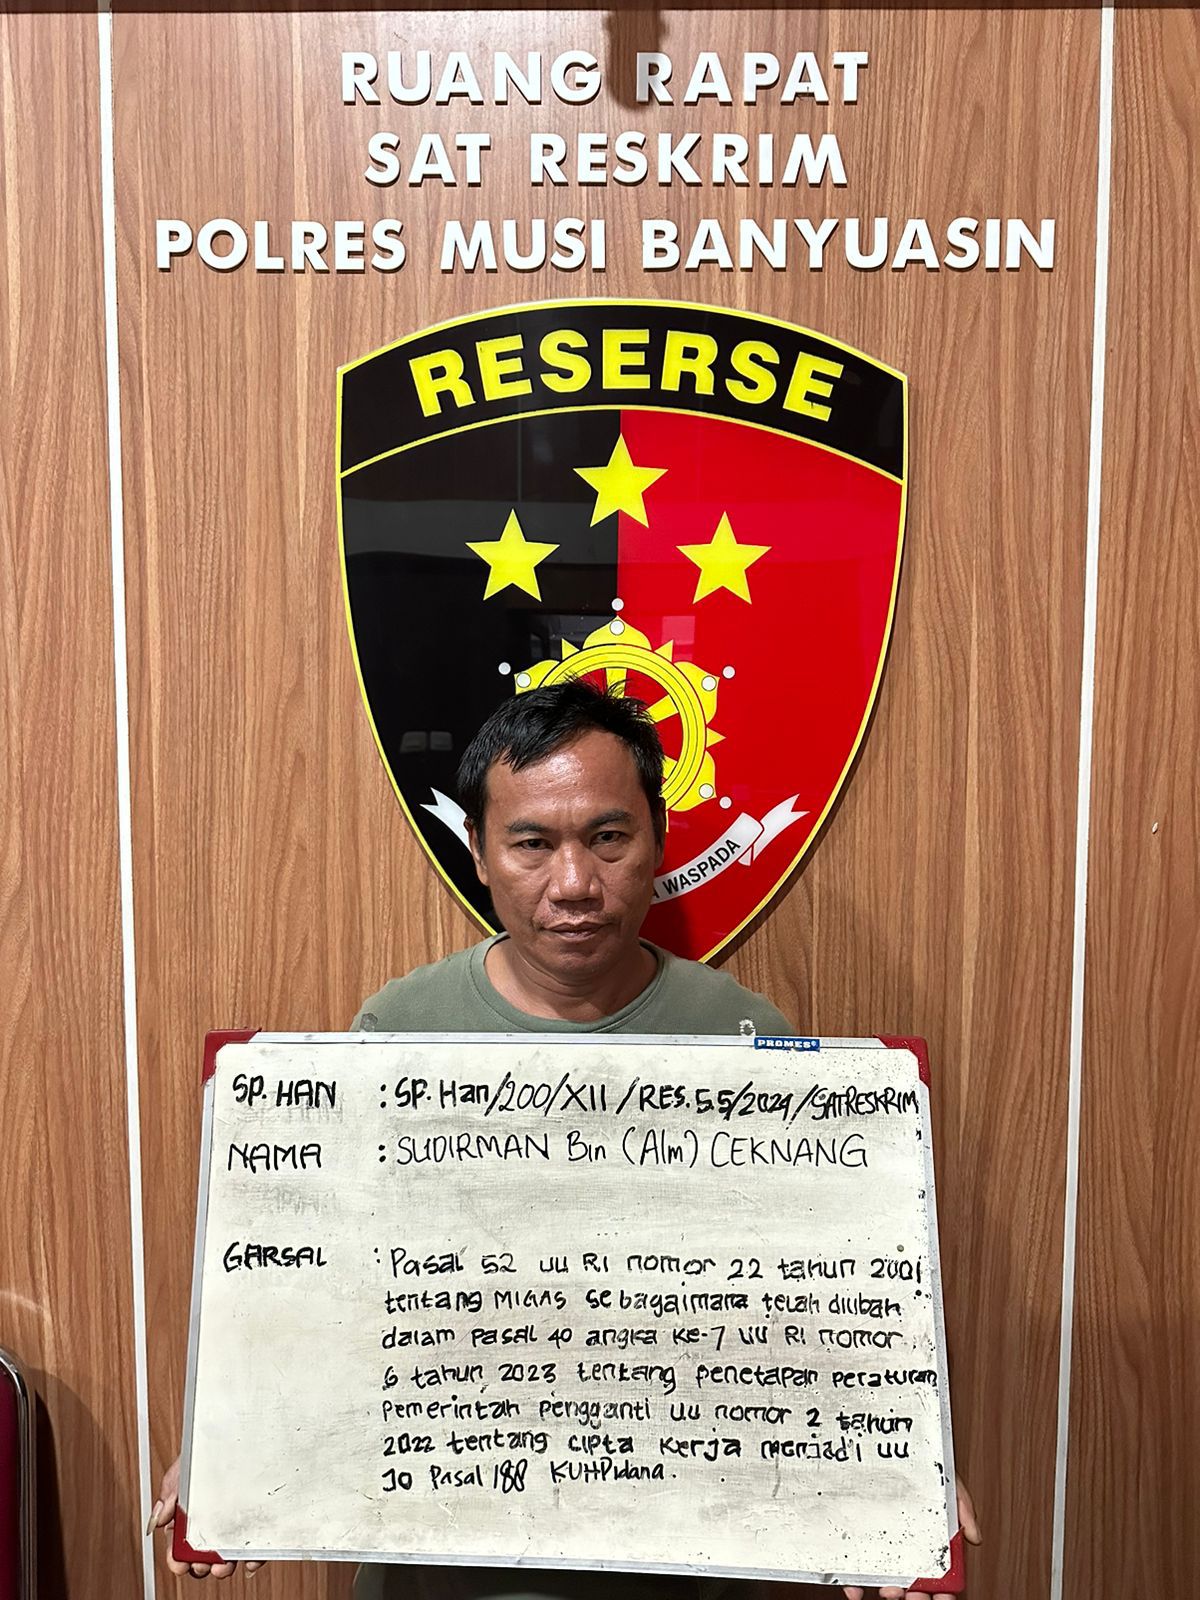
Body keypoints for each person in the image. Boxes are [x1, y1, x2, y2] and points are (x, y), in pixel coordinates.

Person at [154, 681, 979, 1596]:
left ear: (659, 840)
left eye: (609, 837)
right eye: (533, 844)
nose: (576, 883)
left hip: (684, 1559)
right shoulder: (397, 1028)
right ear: (479, 852)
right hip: (444, 1556)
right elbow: (327, 1291)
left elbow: (820, 1310)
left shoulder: (746, 1036)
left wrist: (891, 1477)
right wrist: (240, 1447)